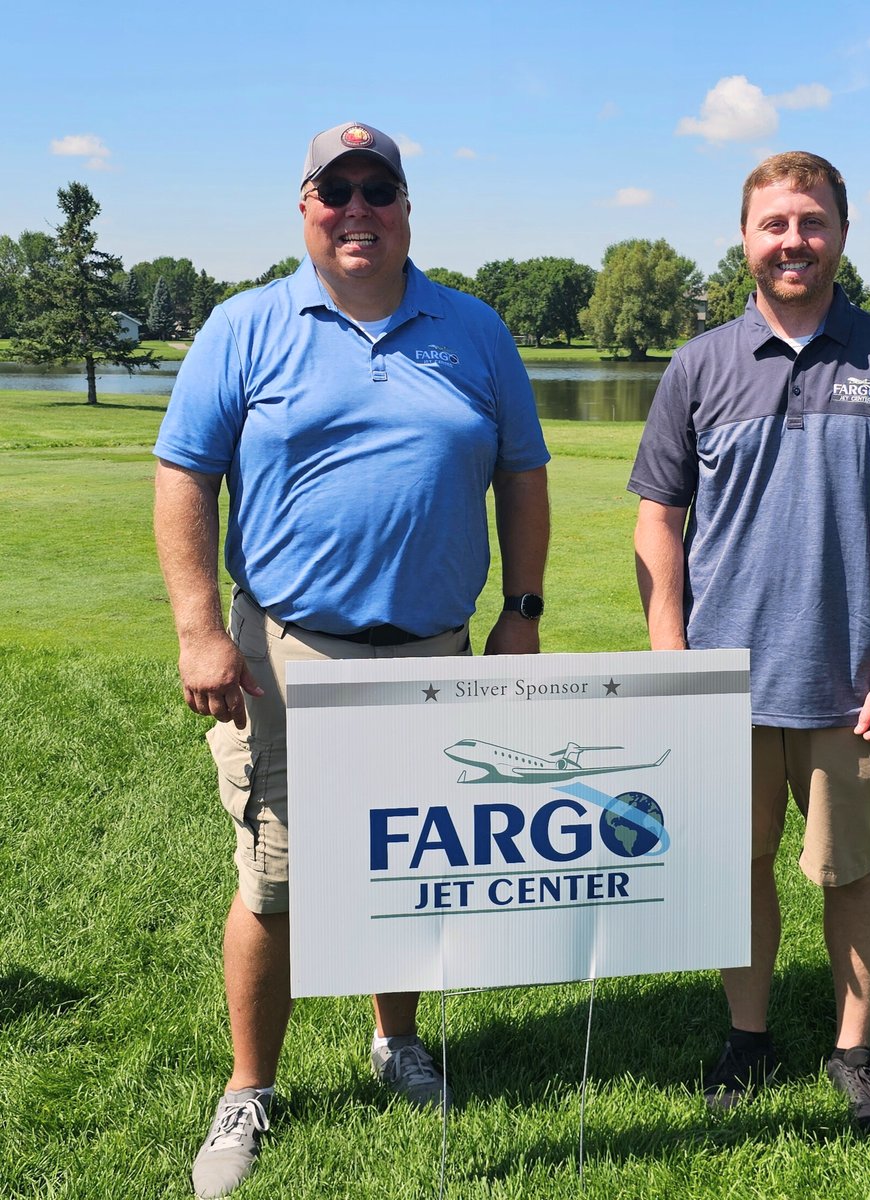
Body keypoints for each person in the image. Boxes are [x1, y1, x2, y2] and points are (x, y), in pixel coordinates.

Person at [154, 121, 550, 1197]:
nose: (358, 209)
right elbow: (184, 476)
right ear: (305, 207)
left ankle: (394, 1043)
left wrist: (520, 610)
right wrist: (198, 627)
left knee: (409, 868)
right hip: (288, 651)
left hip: (432, 652)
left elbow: (521, 473)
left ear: (407, 207)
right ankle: (251, 1087)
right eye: (338, 192)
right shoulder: (246, 327)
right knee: (276, 879)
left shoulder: (472, 331)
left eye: (379, 190)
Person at [627, 151, 870, 1151]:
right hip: (724, 682)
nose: (792, 241)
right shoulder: (698, 365)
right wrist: (671, 655)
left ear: (841, 234)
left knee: (848, 873)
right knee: (737, 869)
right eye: (773, 223)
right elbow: (656, 519)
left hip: (851, 681)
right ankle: (747, 1035)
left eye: (810, 222)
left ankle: (854, 1054)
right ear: (743, 237)